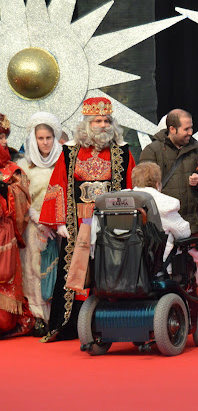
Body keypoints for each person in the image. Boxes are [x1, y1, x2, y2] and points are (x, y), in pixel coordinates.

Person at [39, 97, 135, 342]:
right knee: (78, 271)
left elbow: (131, 189)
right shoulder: (69, 153)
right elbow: (58, 186)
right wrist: (59, 222)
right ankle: (74, 323)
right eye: (97, 121)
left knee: (109, 268)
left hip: (110, 223)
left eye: (106, 120)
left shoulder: (122, 152)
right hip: (80, 224)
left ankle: (111, 320)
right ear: (86, 124)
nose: (103, 125)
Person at [139, 109, 198, 339]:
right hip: (162, 224)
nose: (190, 132)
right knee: (161, 271)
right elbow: (143, 183)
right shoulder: (152, 150)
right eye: (186, 128)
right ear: (171, 129)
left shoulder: (197, 148)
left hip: (194, 219)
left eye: (191, 127)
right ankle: (164, 321)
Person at [16, 112, 64, 336]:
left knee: (59, 270)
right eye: (41, 138)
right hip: (34, 228)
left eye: (49, 138)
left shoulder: (64, 162)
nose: (45, 143)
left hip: (61, 227)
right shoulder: (24, 167)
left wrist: (56, 221)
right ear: (33, 140)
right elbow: (21, 199)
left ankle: (58, 316)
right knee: (33, 270)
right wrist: (40, 219)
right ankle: (37, 317)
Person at [0, 113, 33, 339]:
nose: (3, 142)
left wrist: (6, 192)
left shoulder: (13, 170)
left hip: (3, 234)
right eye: (0, 137)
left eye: (4, 137)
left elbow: (23, 201)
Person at [130, 162, 192, 268]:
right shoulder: (166, 203)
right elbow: (184, 233)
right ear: (158, 183)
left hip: (123, 268)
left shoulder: (119, 200)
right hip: (157, 267)